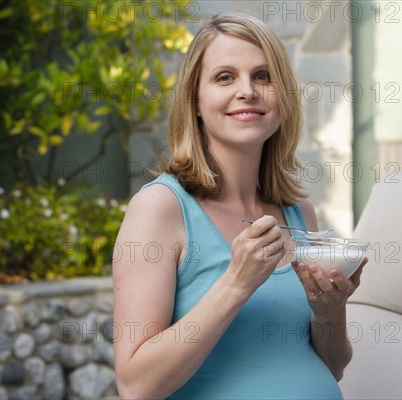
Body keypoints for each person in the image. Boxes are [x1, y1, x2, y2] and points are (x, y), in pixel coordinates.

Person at [112, 12, 367, 400]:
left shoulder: (299, 212)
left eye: (263, 76)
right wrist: (236, 282)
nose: (247, 91)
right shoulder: (160, 209)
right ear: (195, 102)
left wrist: (329, 311)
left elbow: (332, 366)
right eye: (224, 77)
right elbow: (135, 385)